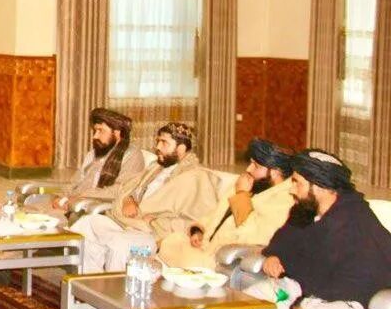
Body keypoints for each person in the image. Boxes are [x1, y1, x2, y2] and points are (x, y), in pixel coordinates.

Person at [244, 150, 391, 309]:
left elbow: (357, 282)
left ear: (320, 186)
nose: (291, 189)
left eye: (297, 183)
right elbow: (283, 240)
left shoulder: (356, 221)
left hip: (350, 308)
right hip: (302, 292)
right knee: (251, 306)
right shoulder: (305, 210)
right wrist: (274, 255)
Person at [69, 122, 218, 273]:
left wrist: (155, 222)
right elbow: (127, 188)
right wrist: (129, 199)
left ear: (181, 148)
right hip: (127, 222)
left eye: (164, 142)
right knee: (86, 224)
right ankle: (90, 281)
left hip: (152, 234)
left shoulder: (196, 177)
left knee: (119, 243)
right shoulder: (156, 167)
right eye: (158, 141)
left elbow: (199, 220)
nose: (158, 147)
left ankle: (115, 287)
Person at [158, 138, 294, 269]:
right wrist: (198, 231)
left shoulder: (283, 201)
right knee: (171, 241)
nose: (248, 169)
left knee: (178, 258)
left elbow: (250, 237)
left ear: (275, 173)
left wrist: (241, 195)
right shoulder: (254, 184)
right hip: (205, 248)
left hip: (223, 261)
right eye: (250, 163)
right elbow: (215, 215)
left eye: (256, 166)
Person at [34, 107, 145, 215]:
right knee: (33, 211)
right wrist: (59, 197)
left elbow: (120, 190)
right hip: (70, 204)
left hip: (91, 210)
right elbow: (74, 183)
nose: (95, 136)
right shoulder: (92, 154)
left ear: (117, 133)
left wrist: (81, 196)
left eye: (100, 131)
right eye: (95, 131)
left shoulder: (132, 155)